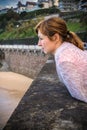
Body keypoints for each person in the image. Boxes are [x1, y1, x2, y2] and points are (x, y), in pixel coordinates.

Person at [35, 16, 87, 103]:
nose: (38, 44)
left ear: (55, 37)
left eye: (41, 38)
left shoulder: (64, 60)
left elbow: (81, 94)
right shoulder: (67, 48)